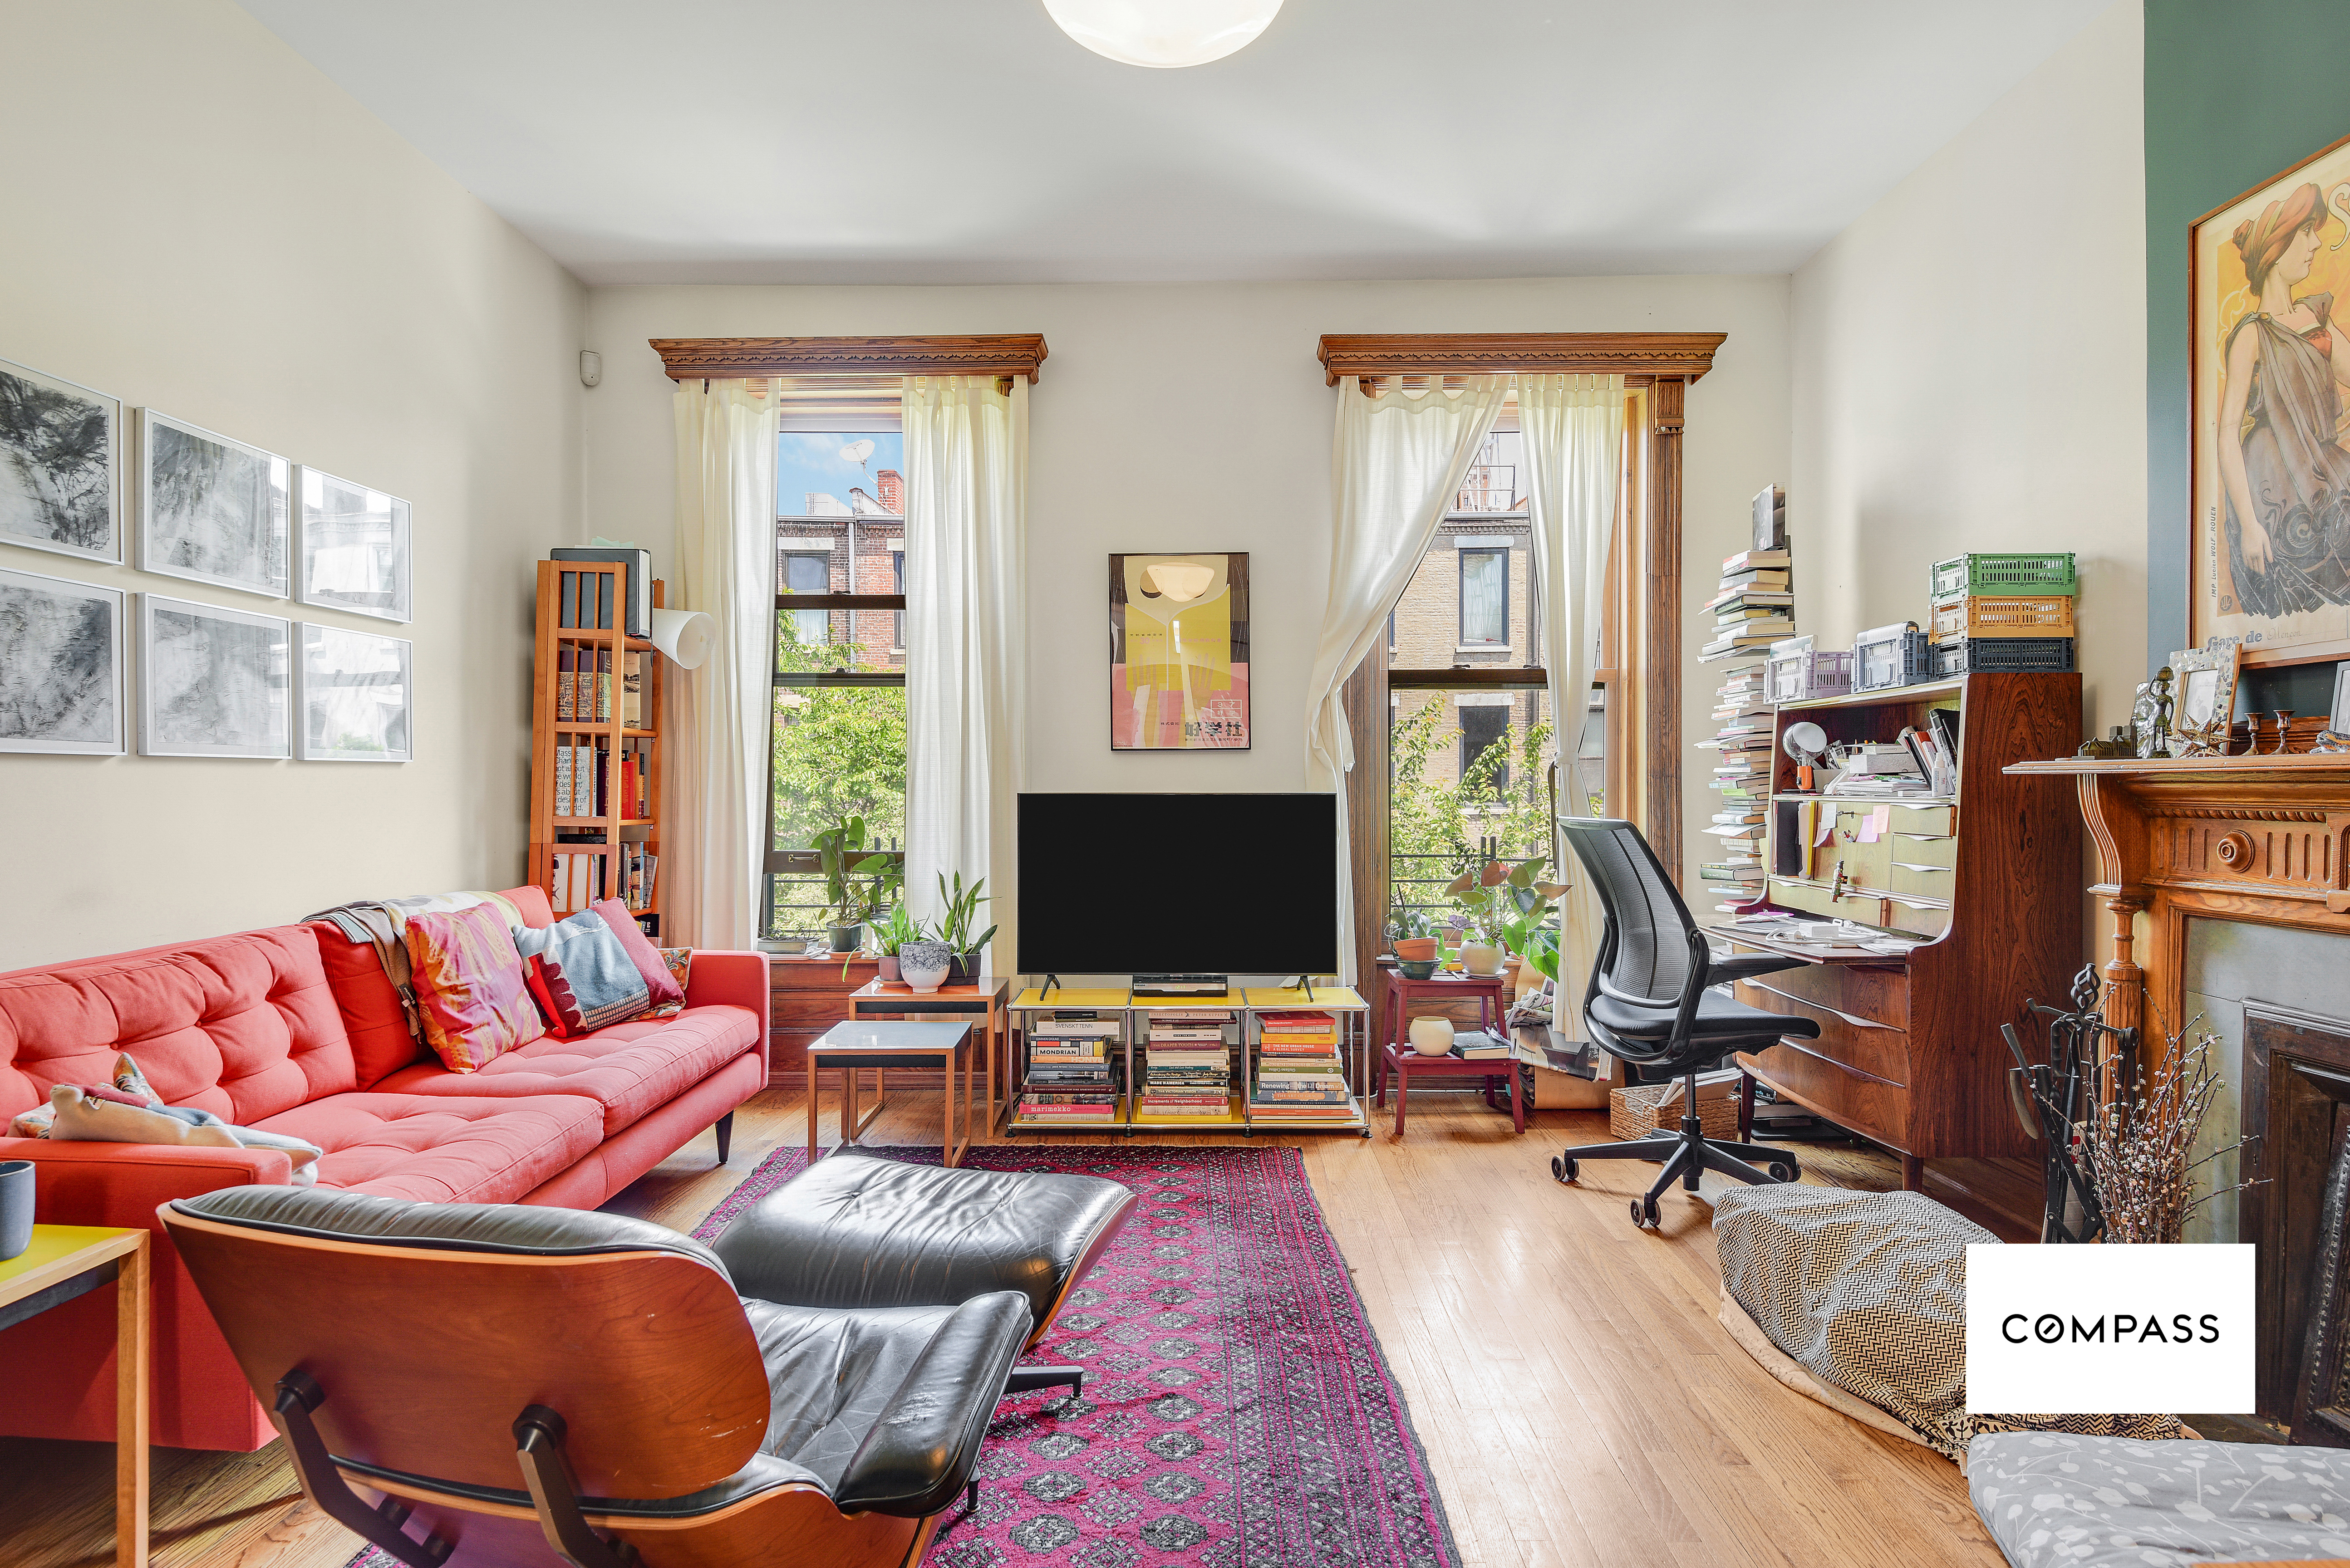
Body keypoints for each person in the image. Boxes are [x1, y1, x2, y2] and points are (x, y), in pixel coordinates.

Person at [2217, 180, 2350, 618]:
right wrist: (2249, 523)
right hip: (2272, 483)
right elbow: (2227, 434)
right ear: (2276, 249)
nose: (2316, 244)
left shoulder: (2316, 318)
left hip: (2325, 465)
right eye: (2306, 233)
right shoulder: (2251, 336)